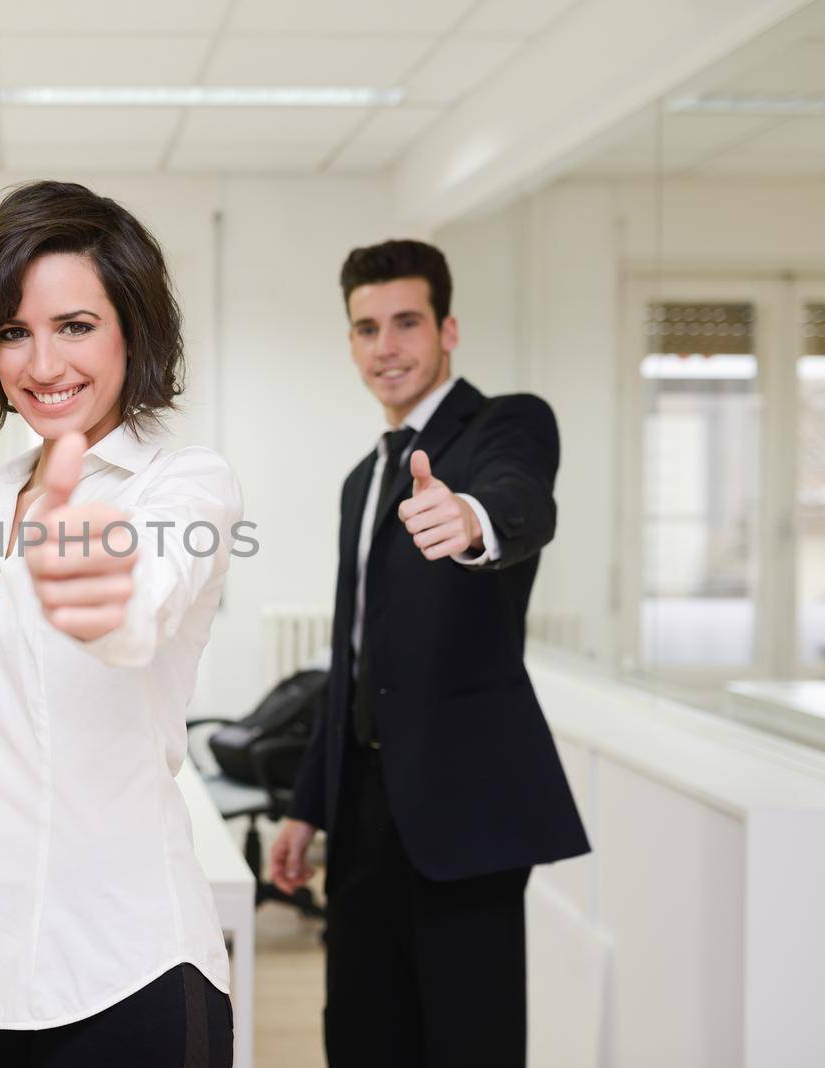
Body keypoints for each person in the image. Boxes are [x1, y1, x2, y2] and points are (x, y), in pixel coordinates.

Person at [0, 180, 238, 1067]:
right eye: (14, 332)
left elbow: (141, 604)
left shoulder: (183, 484)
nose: (42, 365)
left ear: (134, 329)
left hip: (117, 978)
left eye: (75, 326)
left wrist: (104, 600)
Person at [269, 239, 590, 1067]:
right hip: (363, 812)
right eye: (366, 328)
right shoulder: (359, 482)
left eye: (406, 322)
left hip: (464, 811)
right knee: (363, 1035)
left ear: (448, 329)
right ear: (349, 343)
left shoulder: (505, 422)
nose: (387, 347)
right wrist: (308, 804)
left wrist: (476, 520)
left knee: (466, 1043)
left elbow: (521, 491)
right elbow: (350, 662)